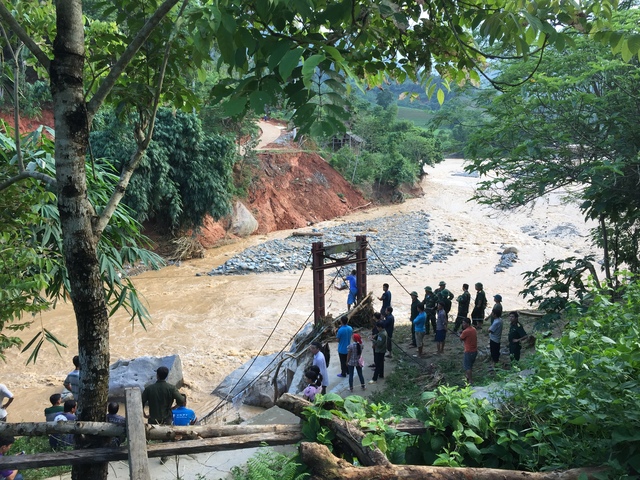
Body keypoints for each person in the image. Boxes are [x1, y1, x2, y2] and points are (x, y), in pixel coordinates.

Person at [459, 317, 478, 384]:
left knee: (467, 367)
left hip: (468, 351)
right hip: (475, 351)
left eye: (464, 323)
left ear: (467, 323)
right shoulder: (473, 329)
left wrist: (461, 333)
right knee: (470, 365)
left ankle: (470, 380)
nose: (463, 324)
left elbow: (461, 338)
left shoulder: (465, 331)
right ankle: (468, 377)